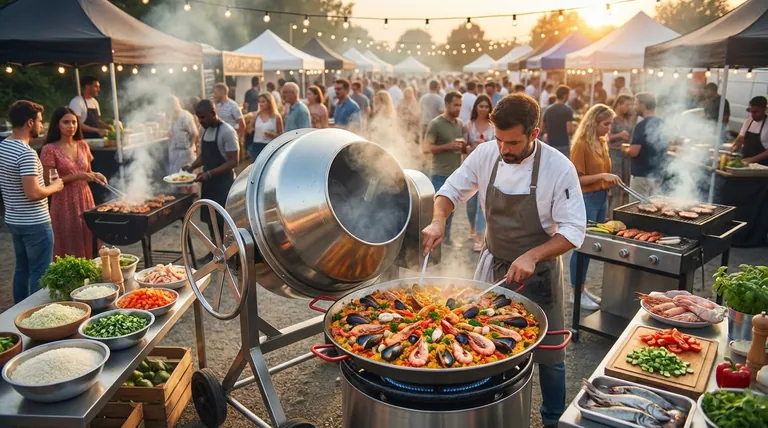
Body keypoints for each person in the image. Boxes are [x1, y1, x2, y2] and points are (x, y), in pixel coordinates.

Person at [422, 93, 585, 428]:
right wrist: (438, 220)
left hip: (539, 274)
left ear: (534, 134)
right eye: (499, 140)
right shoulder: (486, 154)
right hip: (495, 268)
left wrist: (534, 254)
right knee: (490, 346)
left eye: (512, 142)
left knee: (552, 356)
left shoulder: (558, 167)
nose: (504, 149)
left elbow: (573, 230)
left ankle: (553, 419)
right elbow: (450, 192)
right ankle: (496, 415)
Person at [0, 101, 64, 303]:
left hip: (14, 219)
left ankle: (18, 309)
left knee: (22, 267)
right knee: (40, 272)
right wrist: (55, 187)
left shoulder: (3, 146)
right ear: (30, 123)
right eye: (40, 121)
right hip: (34, 222)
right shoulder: (25, 153)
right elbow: (33, 193)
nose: (42, 125)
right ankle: (37, 313)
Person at [569, 104, 622, 310]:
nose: (609, 128)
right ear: (594, 123)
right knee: (582, 245)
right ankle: (575, 293)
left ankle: (582, 289)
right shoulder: (581, 144)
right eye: (606, 124)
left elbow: (603, 174)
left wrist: (608, 183)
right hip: (586, 198)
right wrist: (602, 176)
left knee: (591, 246)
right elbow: (576, 180)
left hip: (601, 197)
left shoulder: (602, 141)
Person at [41, 106, 106, 260]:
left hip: (85, 197)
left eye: (74, 122)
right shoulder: (49, 149)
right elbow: (48, 182)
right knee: (69, 239)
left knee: (88, 235)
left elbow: (87, 172)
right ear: (57, 125)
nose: (71, 126)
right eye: (66, 122)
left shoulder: (83, 145)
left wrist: (96, 175)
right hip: (64, 201)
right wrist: (78, 176)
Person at [183, 100, 239, 238]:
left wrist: (209, 173)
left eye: (203, 117)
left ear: (213, 113)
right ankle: (215, 250)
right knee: (210, 218)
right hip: (208, 184)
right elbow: (204, 156)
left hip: (224, 184)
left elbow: (233, 161)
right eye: (198, 117)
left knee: (223, 220)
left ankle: (230, 254)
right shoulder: (204, 130)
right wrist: (192, 166)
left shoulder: (228, 132)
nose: (200, 121)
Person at [422, 91, 465, 246]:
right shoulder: (436, 124)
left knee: (451, 209)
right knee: (436, 211)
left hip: (455, 173)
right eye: (455, 105)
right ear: (446, 105)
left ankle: (446, 238)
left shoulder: (459, 123)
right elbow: (426, 148)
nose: (458, 108)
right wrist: (448, 146)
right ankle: (432, 240)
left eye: (460, 105)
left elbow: (460, 147)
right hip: (439, 173)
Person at [464, 94, 494, 252]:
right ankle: (472, 227)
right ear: (476, 107)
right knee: (471, 204)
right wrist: (470, 148)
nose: (483, 109)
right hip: (472, 166)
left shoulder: (494, 127)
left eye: (486, 106)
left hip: (487, 168)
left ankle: (480, 237)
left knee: (483, 203)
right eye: (480, 106)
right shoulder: (468, 126)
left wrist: (486, 145)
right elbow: (464, 147)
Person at [623, 92, 666, 199]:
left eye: (636, 104)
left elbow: (634, 151)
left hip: (641, 177)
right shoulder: (662, 123)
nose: (634, 107)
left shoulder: (641, 126)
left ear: (643, 105)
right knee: (653, 210)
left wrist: (625, 150)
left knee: (636, 210)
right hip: (657, 175)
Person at [607, 94, 635, 210]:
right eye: (627, 105)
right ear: (619, 104)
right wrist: (620, 135)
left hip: (625, 156)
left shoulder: (626, 118)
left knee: (625, 186)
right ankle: (610, 215)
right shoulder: (611, 118)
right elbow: (606, 137)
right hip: (615, 155)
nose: (629, 108)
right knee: (615, 187)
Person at [245, 92, 283, 161]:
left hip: (270, 146)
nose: (260, 104)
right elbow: (248, 131)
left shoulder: (276, 117)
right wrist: (250, 124)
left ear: (269, 103)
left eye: (263, 102)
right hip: (257, 146)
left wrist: (272, 135)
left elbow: (281, 135)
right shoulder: (256, 116)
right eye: (259, 102)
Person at [731, 96, 768, 165]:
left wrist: (752, 159)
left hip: (762, 166)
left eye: (756, 112)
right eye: (751, 111)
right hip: (745, 162)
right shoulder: (749, 121)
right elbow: (740, 139)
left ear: (764, 109)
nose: (752, 115)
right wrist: (732, 150)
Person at [167, 95, 198, 174]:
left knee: (187, 180)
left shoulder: (186, 116)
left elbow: (194, 133)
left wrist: (189, 147)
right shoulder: (172, 117)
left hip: (185, 154)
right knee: (176, 179)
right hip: (174, 154)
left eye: (172, 105)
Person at [542, 85, 575, 157]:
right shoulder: (568, 110)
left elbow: (542, 127)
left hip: (550, 144)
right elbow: (569, 130)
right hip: (563, 145)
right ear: (565, 95)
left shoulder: (548, 109)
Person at [213, 83, 246, 150]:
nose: (214, 95)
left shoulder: (233, 105)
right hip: (219, 139)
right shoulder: (217, 106)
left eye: (215, 92)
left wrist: (239, 138)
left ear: (221, 92)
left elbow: (242, 124)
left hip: (230, 138)